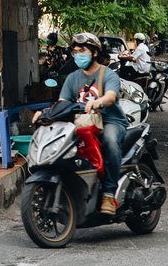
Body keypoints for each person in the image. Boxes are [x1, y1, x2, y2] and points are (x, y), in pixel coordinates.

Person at [34, 31, 128, 216]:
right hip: (83, 123)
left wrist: (98, 102)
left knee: (110, 141)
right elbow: (63, 103)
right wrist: (45, 113)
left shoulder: (108, 74)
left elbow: (111, 96)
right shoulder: (72, 77)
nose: (78, 55)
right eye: (75, 51)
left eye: (82, 50)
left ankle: (109, 193)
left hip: (110, 121)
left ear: (94, 53)